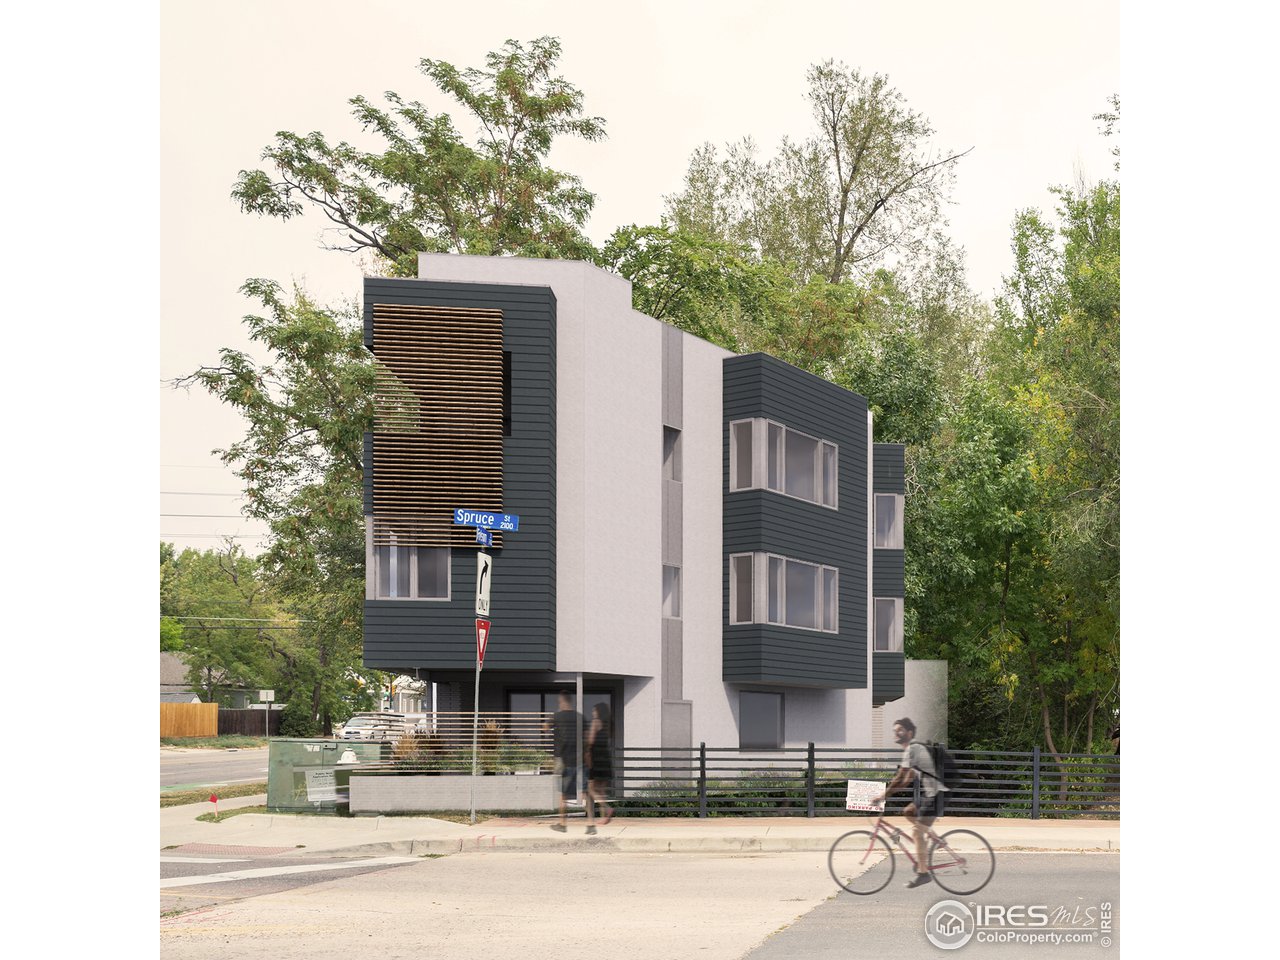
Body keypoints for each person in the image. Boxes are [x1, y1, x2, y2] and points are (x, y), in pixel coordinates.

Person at [876, 717, 949, 889]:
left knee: (917, 833)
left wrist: (883, 795)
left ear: (909, 733)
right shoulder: (912, 750)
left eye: (900, 730)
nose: (896, 732)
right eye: (895, 730)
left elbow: (900, 777)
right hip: (931, 793)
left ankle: (923, 874)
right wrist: (889, 793)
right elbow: (906, 780)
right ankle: (936, 839)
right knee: (908, 811)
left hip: (936, 794)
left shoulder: (912, 749)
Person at [546, 690, 590, 832]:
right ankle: (590, 824)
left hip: (564, 760)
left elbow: (544, 728)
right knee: (584, 792)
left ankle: (562, 824)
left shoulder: (557, 716)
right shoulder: (580, 717)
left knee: (563, 794)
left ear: (562, 701)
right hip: (579, 759)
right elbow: (588, 737)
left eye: (559, 702)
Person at [585, 702, 614, 833]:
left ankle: (607, 808)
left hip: (596, 759)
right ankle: (604, 818)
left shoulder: (595, 722)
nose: (593, 713)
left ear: (598, 711)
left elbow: (591, 741)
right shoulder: (607, 724)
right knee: (601, 791)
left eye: (594, 711)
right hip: (605, 758)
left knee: (590, 788)